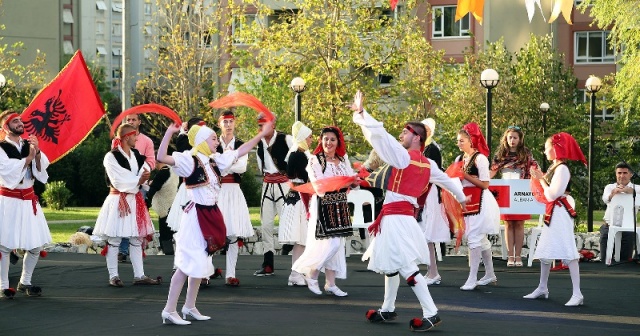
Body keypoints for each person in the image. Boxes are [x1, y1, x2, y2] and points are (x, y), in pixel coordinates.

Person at [350, 92, 467, 332]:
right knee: (393, 265)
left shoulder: (403, 157)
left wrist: (362, 114)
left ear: (416, 138)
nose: (401, 135)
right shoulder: (428, 164)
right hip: (401, 218)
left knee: (406, 267)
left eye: (405, 132)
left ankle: (431, 312)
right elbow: (449, 182)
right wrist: (462, 198)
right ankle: (387, 308)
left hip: (396, 220)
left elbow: (380, 137)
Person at [157, 118, 273, 325]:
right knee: (185, 265)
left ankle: (189, 306)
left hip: (211, 214)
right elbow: (161, 156)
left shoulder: (214, 161)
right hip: (195, 218)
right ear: (202, 140)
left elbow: (241, 150)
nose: (217, 141)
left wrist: (261, 134)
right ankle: (169, 309)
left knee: (201, 262)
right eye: (213, 138)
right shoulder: (189, 160)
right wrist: (169, 133)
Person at [94, 124, 160, 287]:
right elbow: (118, 179)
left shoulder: (136, 155)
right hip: (118, 199)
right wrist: (139, 180)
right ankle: (113, 276)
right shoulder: (110, 157)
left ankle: (139, 275)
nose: (138, 138)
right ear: (127, 137)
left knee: (137, 238)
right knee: (115, 239)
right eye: (135, 135)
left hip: (134, 199)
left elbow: (143, 172)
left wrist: (144, 178)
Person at [292, 126, 355, 297]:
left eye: (332, 139)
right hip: (324, 204)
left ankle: (331, 283)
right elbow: (320, 187)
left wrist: (354, 180)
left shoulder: (343, 160)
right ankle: (312, 273)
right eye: (325, 139)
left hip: (340, 204)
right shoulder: (315, 160)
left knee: (337, 245)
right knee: (330, 243)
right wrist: (344, 182)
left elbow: (350, 179)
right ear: (321, 141)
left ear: (338, 142)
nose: (328, 142)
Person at [526, 133, 586, 306]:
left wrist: (540, 179)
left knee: (568, 249)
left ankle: (577, 293)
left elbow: (552, 193)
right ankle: (542, 287)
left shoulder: (562, 169)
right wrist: (541, 177)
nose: (545, 152)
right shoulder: (555, 167)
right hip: (554, 211)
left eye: (547, 148)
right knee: (546, 248)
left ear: (555, 148)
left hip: (560, 211)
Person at [0, 111, 52, 298]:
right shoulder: (1, 148)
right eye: (15, 121)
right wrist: (28, 158)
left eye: (20, 121)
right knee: (5, 245)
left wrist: (36, 152)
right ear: (6, 126)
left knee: (36, 245)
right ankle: (4, 286)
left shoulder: (27, 144)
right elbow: (7, 172)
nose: (20, 124)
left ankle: (25, 282)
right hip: (10, 200)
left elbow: (41, 169)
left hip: (29, 199)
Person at [456, 123, 500, 291]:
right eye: (458, 141)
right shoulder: (460, 159)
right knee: (479, 239)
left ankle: (472, 277)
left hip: (480, 201)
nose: (459, 144)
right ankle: (489, 273)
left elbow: (485, 184)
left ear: (471, 141)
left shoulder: (480, 158)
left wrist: (465, 175)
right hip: (467, 201)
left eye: (462, 141)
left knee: (474, 237)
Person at [490, 126, 538, 267]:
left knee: (519, 224)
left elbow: (535, 169)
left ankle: (518, 256)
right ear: (506, 138)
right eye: (510, 137)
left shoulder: (526, 154)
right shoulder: (500, 155)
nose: (512, 140)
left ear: (520, 139)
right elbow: (492, 172)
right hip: (505, 191)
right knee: (508, 223)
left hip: (521, 191)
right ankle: (510, 256)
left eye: (515, 137)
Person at [215, 110, 254, 286]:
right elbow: (213, 167)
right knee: (213, 233)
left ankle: (230, 274)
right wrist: (230, 161)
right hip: (216, 190)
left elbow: (242, 168)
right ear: (219, 124)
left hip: (234, 190)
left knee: (232, 234)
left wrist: (224, 161)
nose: (228, 125)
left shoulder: (240, 145)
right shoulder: (213, 143)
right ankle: (206, 272)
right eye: (225, 122)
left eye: (231, 121)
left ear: (235, 123)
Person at [254, 115, 294, 276]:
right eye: (260, 125)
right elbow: (260, 165)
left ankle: (294, 255)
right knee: (266, 226)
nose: (262, 128)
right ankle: (268, 263)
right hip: (267, 185)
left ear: (274, 124)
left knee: (289, 222)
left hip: (284, 184)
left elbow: (297, 159)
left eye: (265, 124)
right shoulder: (259, 142)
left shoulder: (286, 139)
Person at [118, 114, 156, 263]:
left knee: (136, 217)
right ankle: (122, 250)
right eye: (128, 120)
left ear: (139, 122)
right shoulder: (118, 142)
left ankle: (136, 249)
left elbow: (151, 161)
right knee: (123, 216)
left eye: (134, 119)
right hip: (124, 186)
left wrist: (141, 173)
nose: (131, 122)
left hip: (140, 184)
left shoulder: (146, 141)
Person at [279, 121, 313, 287]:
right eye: (309, 137)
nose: (311, 140)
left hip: (300, 198)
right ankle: (295, 273)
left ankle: (300, 272)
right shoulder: (299, 155)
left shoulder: (299, 154)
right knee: (301, 239)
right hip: (300, 199)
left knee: (303, 239)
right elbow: (308, 177)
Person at [419, 118, 449, 285]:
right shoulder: (425, 148)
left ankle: (433, 272)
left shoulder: (431, 149)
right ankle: (431, 270)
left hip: (430, 193)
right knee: (425, 234)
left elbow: (431, 173)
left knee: (428, 233)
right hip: (425, 193)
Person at [600, 162, 640, 262]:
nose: (622, 176)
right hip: (609, 227)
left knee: (625, 261)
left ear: (631, 174)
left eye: (625, 173)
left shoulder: (637, 188)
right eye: (619, 173)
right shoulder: (609, 187)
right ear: (616, 174)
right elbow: (605, 199)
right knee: (605, 259)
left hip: (628, 229)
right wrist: (613, 193)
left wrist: (631, 191)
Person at [146, 161, 179, 255]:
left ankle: (167, 252)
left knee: (165, 231)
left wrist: (146, 202)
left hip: (164, 205)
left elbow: (154, 188)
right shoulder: (173, 171)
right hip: (174, 203)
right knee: (172, 229)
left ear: (156, 162)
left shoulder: (162, 172)